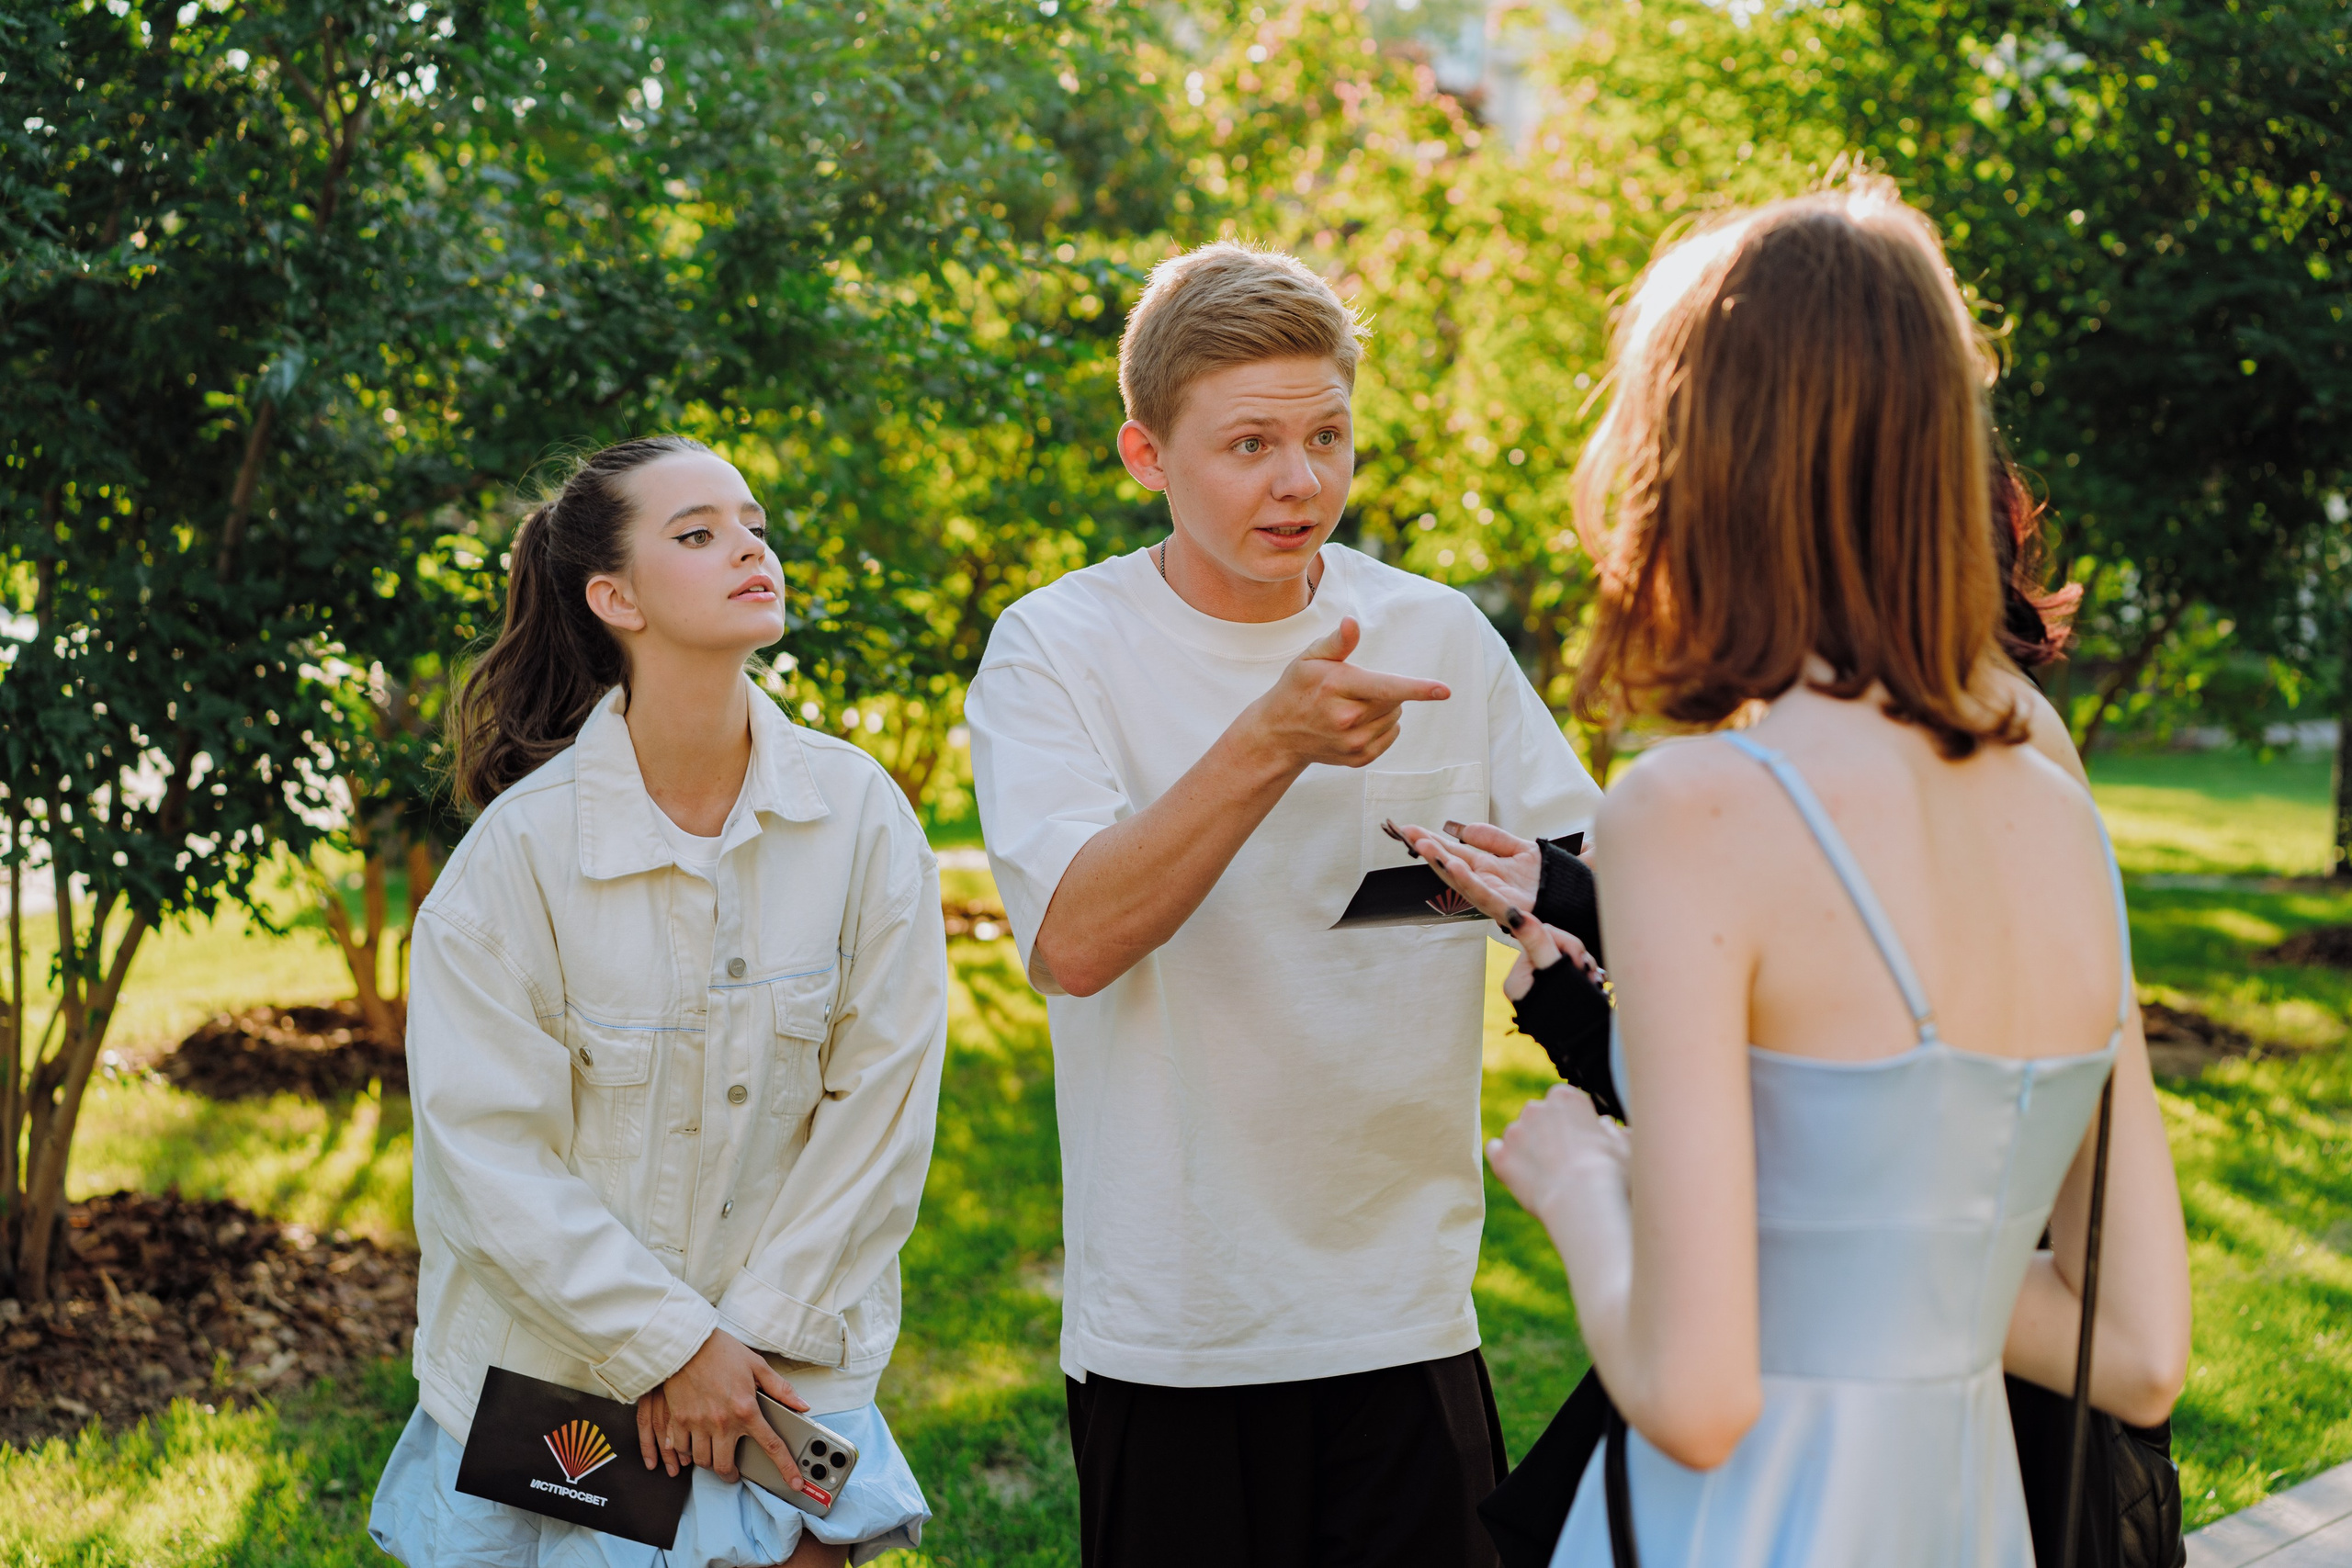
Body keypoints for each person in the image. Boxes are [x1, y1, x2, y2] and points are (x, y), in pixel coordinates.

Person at [1405, 179, 2192, 1565]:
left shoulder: (1696, 805)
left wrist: (1585, 1182)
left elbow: (1700, 1400)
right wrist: (1860, 1252)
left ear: (1699, 459)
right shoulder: (2051, 796)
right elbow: (2135, 1350)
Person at [965, 241, 1604, 1566]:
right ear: (1147, 456)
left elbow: (1594, 882)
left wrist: (1537, 893)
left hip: (1407, 1305)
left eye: (1326, 434)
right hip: (1177, 1319)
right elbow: (1074, 942)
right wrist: (1270, 739)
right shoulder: (1056, 647)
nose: (1301, 479)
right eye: (1249, 443)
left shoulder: (1435, 634)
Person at [368, 436, 945, 1568]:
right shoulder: (514, 863)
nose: (748, 547)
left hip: (789, 1379)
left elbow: (883, 1111)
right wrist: (670, 1347)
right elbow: (489, 1163)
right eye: (698, 533)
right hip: (562, 1394)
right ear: (612, 596)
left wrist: (741, 1356)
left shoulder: (860, 816)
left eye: (752, 524)